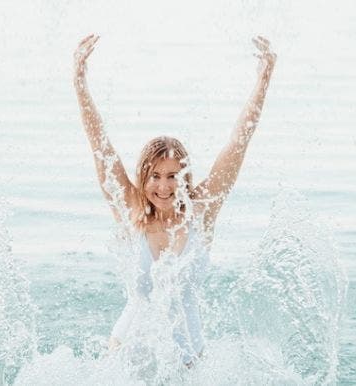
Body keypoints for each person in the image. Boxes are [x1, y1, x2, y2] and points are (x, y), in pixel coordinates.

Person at [73, 34, 276, 368]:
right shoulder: (130, 211)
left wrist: (263, 77)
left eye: (172, 176)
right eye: (155, 176)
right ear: (143, 177)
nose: (164, 187)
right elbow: (99, 143)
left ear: (185, 178)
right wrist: (80, 82)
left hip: (187, 361)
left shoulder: (201, 213)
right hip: (126, 355)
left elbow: (238, 142)